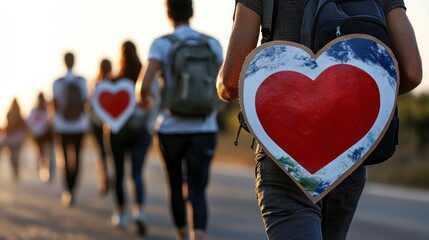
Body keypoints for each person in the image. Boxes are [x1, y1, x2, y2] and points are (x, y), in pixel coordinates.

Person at [216, 1, 422, 239]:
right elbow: (412, 72)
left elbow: (231, 81)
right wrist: (368, 102)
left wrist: (220, 85)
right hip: (347, 154)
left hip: (285, 154)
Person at [137, 1, 223, 239]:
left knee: (175, 185)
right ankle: (200, 235)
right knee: (197, 189)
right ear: (192, 12)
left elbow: (143, 86)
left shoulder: (162, 44)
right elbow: (225, 83)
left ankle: (182, 235)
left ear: (168, 13)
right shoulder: (212, 43)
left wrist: (146, 101)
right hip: (205, 126)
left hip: (170, 127)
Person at [108, 40, 153, 236]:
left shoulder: (114, 79)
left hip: (117, 132)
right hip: (140, 130)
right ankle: (139, 211)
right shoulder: (144, 77)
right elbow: (152, 103)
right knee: (137, 173)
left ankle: (120, 212)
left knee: (118, 172)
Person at [52, 52, 90, 207]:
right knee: (77, 157)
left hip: (62, 125)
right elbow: (85, 103)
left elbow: (54, 104)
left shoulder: (57, 82)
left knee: (65, 158)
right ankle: (73, 189)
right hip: (79, 125)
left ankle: (67, 190)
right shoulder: (82, 81)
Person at [88, 59, 113, 196]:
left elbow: (89, 104)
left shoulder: (95, 84)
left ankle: (104, 178)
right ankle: (112, 175)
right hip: (112, 123)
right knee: (112, 152)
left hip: (97, 123)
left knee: (101, 152)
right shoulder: (114, 83)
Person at [26, 92, 55, 183]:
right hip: (46, 135)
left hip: (39, 136)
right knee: (47, 155)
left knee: (42, 155)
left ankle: (44, 173)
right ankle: (48, 173)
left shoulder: (35, 110)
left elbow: (29, 122)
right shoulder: (47, 108)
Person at [0, 97, 28, 181]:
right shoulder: (20, 115)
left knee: (13, 157)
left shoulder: (10, 113)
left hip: (12, 138)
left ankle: (15, 172)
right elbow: (24, 127)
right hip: (17, 138)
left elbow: (8, 127)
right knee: (15, 156)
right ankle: (15, 172)